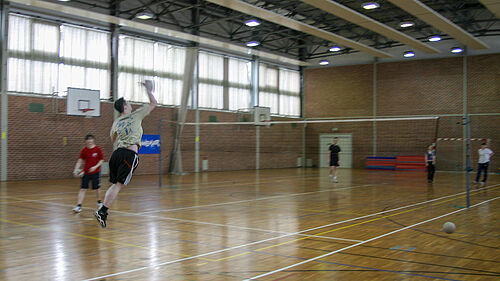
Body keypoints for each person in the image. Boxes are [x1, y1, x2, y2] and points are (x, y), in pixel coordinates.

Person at [95, 80, 157, 228]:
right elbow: (154, 103)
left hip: (116, 154)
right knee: (118, 185)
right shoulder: (136, 115)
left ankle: (103, 211)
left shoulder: (116, 122)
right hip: (129, 155)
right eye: (128, 103)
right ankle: (102, 210)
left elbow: (113, 139)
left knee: (115, 185)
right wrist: (148, 90)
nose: (131, 105)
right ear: (124, 107)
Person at [72, 134, 104, 213]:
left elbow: (101, 160)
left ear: (93, 141)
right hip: (86, 172)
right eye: (88, 142)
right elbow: (80, 160)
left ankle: (99, 203)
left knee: (97, 188)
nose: (89, 143)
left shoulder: (98, 149)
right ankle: (79, 206)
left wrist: (95, 167)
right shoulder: (84, 150)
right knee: (83, 189)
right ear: (86, 142)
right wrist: (75, 169)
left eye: (91, 141)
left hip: (95, 172)